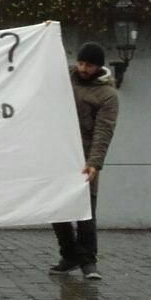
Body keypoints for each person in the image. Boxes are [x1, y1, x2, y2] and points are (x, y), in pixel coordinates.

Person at [50, 43, 120, 281]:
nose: (82, 68)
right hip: (57, 153)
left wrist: (95, 163)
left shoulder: (107, 95)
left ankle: (88, 261)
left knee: (85, 211)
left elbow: (104, 131)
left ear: (98, 67)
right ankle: (69, 255)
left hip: (84, 158)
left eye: (88, 65)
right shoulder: (63, 77)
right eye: (80, 63)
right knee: (56, 208)